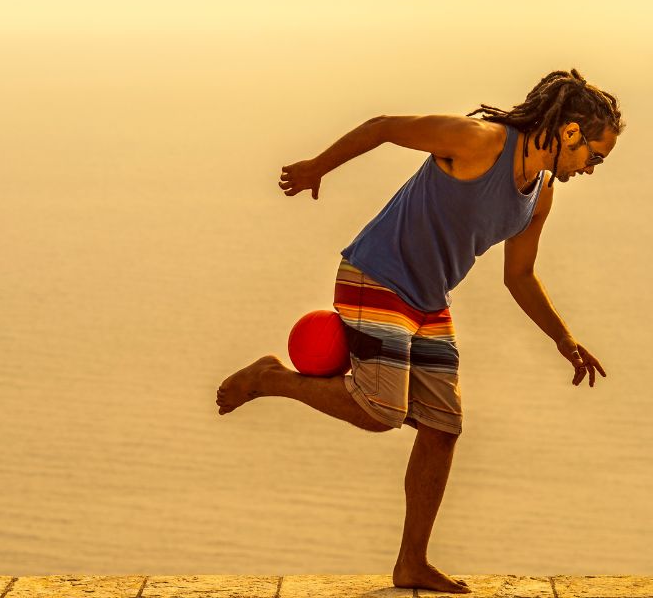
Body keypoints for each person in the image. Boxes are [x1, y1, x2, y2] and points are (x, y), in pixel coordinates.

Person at [215, 68, 624, 594]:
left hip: (428, 300)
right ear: (571, 133)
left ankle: (411, 563)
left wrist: (563, 340)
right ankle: (270, 378)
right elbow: (385, 126)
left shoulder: (538, 196)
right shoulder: (480, 141)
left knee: (442, 427)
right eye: (595, 156)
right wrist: (319, 167)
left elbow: (518, 276)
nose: (592, 168)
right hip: (377, 275)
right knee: (381, 410)